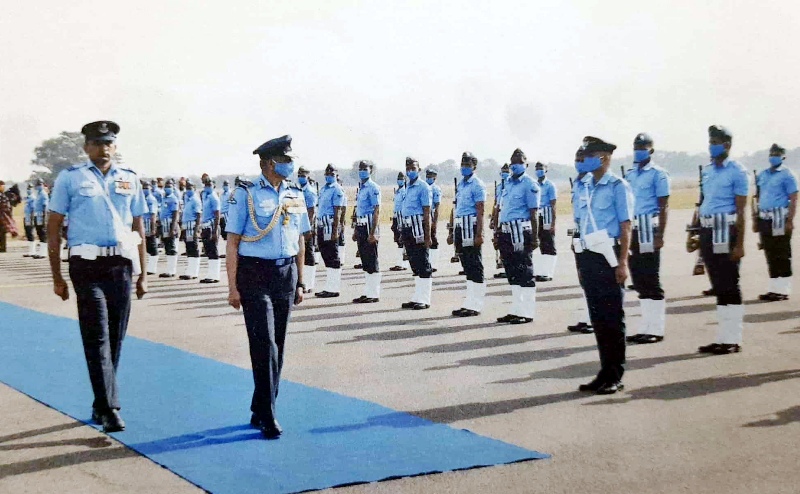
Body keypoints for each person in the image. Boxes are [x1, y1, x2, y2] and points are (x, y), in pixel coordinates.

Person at [46, 120, 147, 432]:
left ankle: (100, 402)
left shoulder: (130, 179)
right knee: (97, 335)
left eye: (109, 143)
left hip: (121, 264)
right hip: (86, 265)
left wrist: (143, 274)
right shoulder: (70, 179)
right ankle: (111, 408)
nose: (104, 149)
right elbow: (53, 227)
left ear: (115, 147)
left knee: (115, 336)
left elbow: (139, 226)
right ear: (86, 147)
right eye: (97, 143)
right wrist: (57, 277)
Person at [225, 134, 310, 439]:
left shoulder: (296, 194)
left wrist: (301, 281)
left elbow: (300, 240)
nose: (290, 165)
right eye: (285, 161)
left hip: (284, 274)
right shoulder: (244, 194)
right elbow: (232, 243)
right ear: (269, 163)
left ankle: (260, 405)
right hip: (254, 275)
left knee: (280, 345)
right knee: (265, 345)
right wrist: (232, 287)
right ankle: (268, 415)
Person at [574, 136, 633, 395]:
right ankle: (603, 371)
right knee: (597, 317)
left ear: (604, 157)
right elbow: (580, 222)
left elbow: (626, 225)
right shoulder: (584, 185)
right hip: (587, 255)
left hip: (608, 255)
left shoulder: (618, 186)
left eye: (591, 155)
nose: (586, 159)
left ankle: (615, 375)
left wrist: (623, 262)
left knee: (612, 317)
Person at [694, 125, 749, 355]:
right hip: (708, 230)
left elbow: (741, 210)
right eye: (710, 142)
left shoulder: (737, 171)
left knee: (729, 284)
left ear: (727, 145)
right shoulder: (707, 171)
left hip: (727, 231)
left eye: (715, 142)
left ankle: (733, 339)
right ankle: (723, 337)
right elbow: (702, 203)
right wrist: (694, 234)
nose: (711, 146)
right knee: (718, 285)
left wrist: (740, 244)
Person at [624, 133, 671, 344]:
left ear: (651, 150)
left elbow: (664, 206)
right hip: (633, 231)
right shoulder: (631, 175)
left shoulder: (659, 174)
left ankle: (657, 329)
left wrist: (660, 234)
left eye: (643, 147)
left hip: (648, 231)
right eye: (636, 146)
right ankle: (645, 327)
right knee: (639, 280)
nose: (638, 150)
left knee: (651, 279)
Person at [495, 148, 539, 324]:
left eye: (520, 162)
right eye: (513, 162)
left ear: (526, 164)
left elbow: (534, 213)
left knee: (524, 270)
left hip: (521, 231)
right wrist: (498, 232)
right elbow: (503, 210)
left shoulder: (529, 184)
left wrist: (535, 238)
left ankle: (527, 312)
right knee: (511, 271)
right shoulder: (507, 184)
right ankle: (516, 309)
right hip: (506, 231)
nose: (515, 165)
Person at [754, 143, 797, 301]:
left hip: (780, 218)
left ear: (783, 156)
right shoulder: (763, 174)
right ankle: (773, 288)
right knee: (769, 253)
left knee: (782, 254)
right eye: (772, 153)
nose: (774, 156)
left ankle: (783, 290)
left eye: (777, 154)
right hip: (765, 218)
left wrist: (790, 220)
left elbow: (793, 198)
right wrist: (756, 219)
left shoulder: (787, 174)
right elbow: (758, 197)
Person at [449, 152, 487, 317]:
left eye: (468, 165)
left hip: (471, 227)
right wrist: (452, 231)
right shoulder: (462, 185)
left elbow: (480, 211)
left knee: (475, 265)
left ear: (474, 166)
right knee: (467, 266)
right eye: (462, 164)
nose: (464, 167)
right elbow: (456, 209)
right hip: (460, 227)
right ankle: (469, 302)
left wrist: (479, 233)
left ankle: (476, 304)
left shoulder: (477, 184)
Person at [400, 157, 433, 309]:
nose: (410, 171)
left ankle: (425, 299)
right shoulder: (407, 186)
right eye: (408, 169)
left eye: (413, 168)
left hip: (418, 227)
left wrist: (428, 235)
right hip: (407, 227)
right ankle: (417, 296)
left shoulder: (424, 187)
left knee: (423, 262)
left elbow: (427, 212)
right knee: (414, 263)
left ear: (419, 169)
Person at [567, 150, 594, 334]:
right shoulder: (577, 183)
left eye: (582, 159)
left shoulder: (593, 182)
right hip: (580, 235)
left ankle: (594, 319)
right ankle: (587, 317)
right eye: (576, 159)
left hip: (593, 236)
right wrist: (574, 237)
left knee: (594, 280)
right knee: (584, 279)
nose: (578, 163)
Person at [311, 165, 344, 297]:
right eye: (327, 172)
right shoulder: (324, 189)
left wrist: (335, 231)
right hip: (321, 225)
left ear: (336, 175)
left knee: (332, 256)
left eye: (332, 173)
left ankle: (334, 288)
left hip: (330, 225)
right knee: (326, 255)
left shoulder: (337, 189)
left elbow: (338, 211)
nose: (329, 175)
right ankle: (329, 286)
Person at [351, 160, 382, 303]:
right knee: (365, 260)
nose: (362, 171)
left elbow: (376, 210)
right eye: (360, 168)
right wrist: (356, 230)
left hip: (370, 226)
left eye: (365, 168)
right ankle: (368, 292)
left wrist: (373, 232)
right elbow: (358, 211)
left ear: (371, 170)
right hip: (361, 225)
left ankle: (374, 294)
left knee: (372, 259)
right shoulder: (361, 188)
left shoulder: (373, 187)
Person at [533, 162, 558, 282]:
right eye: (537, 169)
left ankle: (549, 272)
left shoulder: (550, 185)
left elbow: (553, 205)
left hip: (547, 216)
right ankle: (543, 271)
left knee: (549, 244)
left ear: (546, 170)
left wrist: (553, 223)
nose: (539, 170)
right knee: (542, 244)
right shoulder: (534, 185)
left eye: (541, 168)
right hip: (538, 216)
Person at [297, 166, 318, 294]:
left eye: (303, 175)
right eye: (299, 174)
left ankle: (309, 284)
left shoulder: (309, 191)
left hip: (307, 227)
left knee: (309, 255)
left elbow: (311, 211)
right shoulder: (299, 189)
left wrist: (307, 228)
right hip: (298, 227)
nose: (301, 177)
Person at [200, 176, 222, 283]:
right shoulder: (206, 196)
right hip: (205, 226)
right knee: (208, 250)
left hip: (211, 226)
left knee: (213, 250)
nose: (207, 186)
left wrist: (215, 231)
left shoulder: (214, 197)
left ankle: (214, 275)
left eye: (209, 185)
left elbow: (217, 215)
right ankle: (211, 274)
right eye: (206, 185)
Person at [179, 180, 202, 280]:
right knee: (189, 248)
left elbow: (198, 215)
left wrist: (197, 229)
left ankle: (194, 272)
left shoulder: (195, 200)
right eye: (187, 188)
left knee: (194, 248)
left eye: (190, 188)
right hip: (186, 226)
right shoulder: (187, 198)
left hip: (192, 226)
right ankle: (190, 270)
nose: (188, 190)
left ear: (194, 189)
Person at [157, 179, 181, 278]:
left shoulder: (173, 199)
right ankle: (169, 270)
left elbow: (175, 214)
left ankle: (172, 270)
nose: (167, 188)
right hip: (164, 224)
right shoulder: (164, 198)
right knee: (167, 247)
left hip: (170, 224)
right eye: (166, 186)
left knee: (171, 248)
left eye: (169, 186)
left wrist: (173, 228)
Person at [491, 164, 510, 278]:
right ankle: (503, 266)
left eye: (506, 171)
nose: (504, 173)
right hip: (499, 214)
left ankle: (509, 268)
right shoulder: (498, 187)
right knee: (499, 241)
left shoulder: (511, 185)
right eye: (503, 171)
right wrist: (493, 219)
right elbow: (495, 204)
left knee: (508, 243)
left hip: (507, 215)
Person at [390, 172, 409, 271]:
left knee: (401, 240)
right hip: (396, 216)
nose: (400, 180)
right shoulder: (397, 191)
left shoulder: (404, 191)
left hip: (402, 216)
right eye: (399, 178)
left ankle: (402, 263)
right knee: (398, 239)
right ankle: (401, 263)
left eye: (402, 178)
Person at [426, 167, 442, 272]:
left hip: (431, 214)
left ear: (435, 177)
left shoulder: (436, 189)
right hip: (423, 215)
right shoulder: (424, 187)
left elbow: (437, 207)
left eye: (431, 176)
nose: (429, 178)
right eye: (427, 176)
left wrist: (435, 222)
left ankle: (433, 263)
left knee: (433, 239)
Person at [142, 181, 160, 275]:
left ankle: (152, 268)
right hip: (143, 224)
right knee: (146, 246)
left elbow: (153, 214)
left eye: (147, 188)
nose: (145, 190)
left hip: (149, 223)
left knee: (152, 246)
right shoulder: (143, 198)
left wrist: (153, 228)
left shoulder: (151, 199)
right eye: (144, 188)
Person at [32, 178, 49, 259]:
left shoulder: (43, 194)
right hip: (37, 216)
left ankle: (43, 253)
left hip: (41, 216)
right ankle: (40, 252)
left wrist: (44, 218)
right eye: (37, 185)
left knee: (43, 234)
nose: (38, 186)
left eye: (40, 184)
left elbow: (45, 206)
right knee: (39, 233)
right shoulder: (38, 194)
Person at [23, 184, 36, 257]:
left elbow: (33, 209)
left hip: (30, 218)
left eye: (30, 188)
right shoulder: (27, 198)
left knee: (30, 234)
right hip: (26, 217)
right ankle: (30, 251)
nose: (28, 190)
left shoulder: (33, 198)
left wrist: (32, 219)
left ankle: (33, 251)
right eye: (28, 188)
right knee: (28, 234)